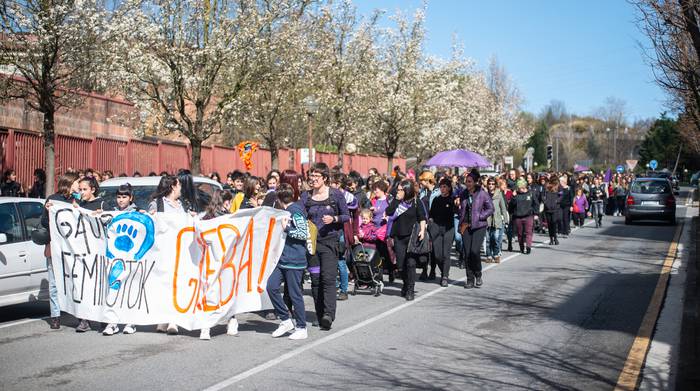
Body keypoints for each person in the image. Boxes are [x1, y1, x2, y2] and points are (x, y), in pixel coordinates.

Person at [300, 162, 350, 330]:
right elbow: (300, 215)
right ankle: (320, 314)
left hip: (330, 243)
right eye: (311, 176)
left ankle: (328, 314)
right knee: (315, 280)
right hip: (312, 244)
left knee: (328, 279)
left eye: (316, 176)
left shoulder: (336, 195)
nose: (312, 179)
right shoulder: (305, 196)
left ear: (325, 178)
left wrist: (334, 219)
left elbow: (346, 216)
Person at [267, 183, 309, 340]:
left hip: (295, 261)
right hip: (282, 259)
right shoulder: (285, 211)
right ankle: (285, 320)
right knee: (271, 287)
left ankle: (301, 327)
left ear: (279, 198)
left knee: (294, 294)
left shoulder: (295, 211)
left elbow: (303, 233)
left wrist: (287, 229)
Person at [40, 172, 81, 330]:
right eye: (77, 182)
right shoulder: (53, 199)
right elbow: (44, 222)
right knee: (54, 284)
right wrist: (47, 211)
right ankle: (55, 316)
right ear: (70, 183)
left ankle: (79, 314)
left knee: (76, 281)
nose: (79, 185)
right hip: (56, 248)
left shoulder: (77, 200)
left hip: (72, 249)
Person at [198, 189, 238, 340]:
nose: (229, 204)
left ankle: (232, 320)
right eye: (228, 201)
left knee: (229, 290)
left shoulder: (231, 218)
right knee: (210, 291)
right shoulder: (208, 218)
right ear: (224, 202)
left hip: (228, 261)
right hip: (211, 261)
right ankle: (206, 326)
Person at [149, 176, 186, 335]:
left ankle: (173, 320)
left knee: (176, 285)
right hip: (162, 251)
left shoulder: (181, 205)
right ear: (173, 186)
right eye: (179, 186)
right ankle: (162, 319)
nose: (181, 189)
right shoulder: (157, 204)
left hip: (178, 250)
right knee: (163, 284)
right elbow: (151, 223)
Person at [103, 184, 139, 336]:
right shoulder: (112, 213)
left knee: (130, 289)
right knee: (114, 289)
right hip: (116, 260)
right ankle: (113, 323)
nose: (121, 200)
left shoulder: (138, 213)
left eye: (124, 197)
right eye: (119, 197)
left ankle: (131, 322)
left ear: (130, 198)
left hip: (132, 259)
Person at [386, 179, 426, 300]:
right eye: (397, 190)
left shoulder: (416, 202)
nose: (397, 192)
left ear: (407, 190)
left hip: (412, 237)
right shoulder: (396, 201)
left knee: (411, 263)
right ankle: (405, 284)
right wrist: (396, 200)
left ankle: (410, 289)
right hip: (398, 237)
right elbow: (388, 212)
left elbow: (422, 218)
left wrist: (422, 230)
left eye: (400, 190)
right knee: (401, 265)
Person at [458, 171, 494, 289]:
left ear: (475, 182)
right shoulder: (463, 194)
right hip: (466, 226)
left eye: (469, 181)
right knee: (467, 253)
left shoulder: (482, 194)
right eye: (466, 181)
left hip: (479, 226)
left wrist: (480, 216)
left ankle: (478, 274)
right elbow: (461, 210)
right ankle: (469, 279)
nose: (467, 184)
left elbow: (490, 208)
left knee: (474, 251)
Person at [428, 178, 456, 287]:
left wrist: (456, 204)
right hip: (436, 228)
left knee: (446, 254)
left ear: (449, 188)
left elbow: (457, 211)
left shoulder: (453, 199)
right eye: (441, 187)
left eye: (445, 186)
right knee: (437, 254)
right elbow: (431, 214)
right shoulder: (436, 199)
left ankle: (445, 276)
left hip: (449, 228)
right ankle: (443, 270)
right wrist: (430, 220)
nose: (442, 189)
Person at [509, 179, 537, 254]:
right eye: (519, 188)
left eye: (522, 187)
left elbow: (535, 204)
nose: (520, 189)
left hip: (529, 216)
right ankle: (521, 247)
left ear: (525, 186)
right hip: (518, 217)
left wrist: (536, 213)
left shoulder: (530, 193)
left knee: (528, 232)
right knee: (520, 234)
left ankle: (528, 247)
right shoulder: (516, 195)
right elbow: (511, 206)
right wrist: (514, 197)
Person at [485, 177, 507, 263]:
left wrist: (505, 220)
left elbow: (503, 208)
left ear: (495, 185)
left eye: (492, 184)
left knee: (496, 238)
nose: (491, 185)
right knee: (488, 239)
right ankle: (489, 255)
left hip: (497, 219)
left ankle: (496, 254)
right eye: (489, 184)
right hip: (487, 219)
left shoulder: (499, 194)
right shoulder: (484, 194)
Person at [543, 178, 562, 246]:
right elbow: (542, 196)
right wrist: (545, 202)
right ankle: (551, 239)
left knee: (554, 223)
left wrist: (557, 201)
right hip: (547, 209)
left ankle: (555, 238)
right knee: (549, 225)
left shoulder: (557, 187)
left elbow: (561, 196)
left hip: (555, 209)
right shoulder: (546, 186)